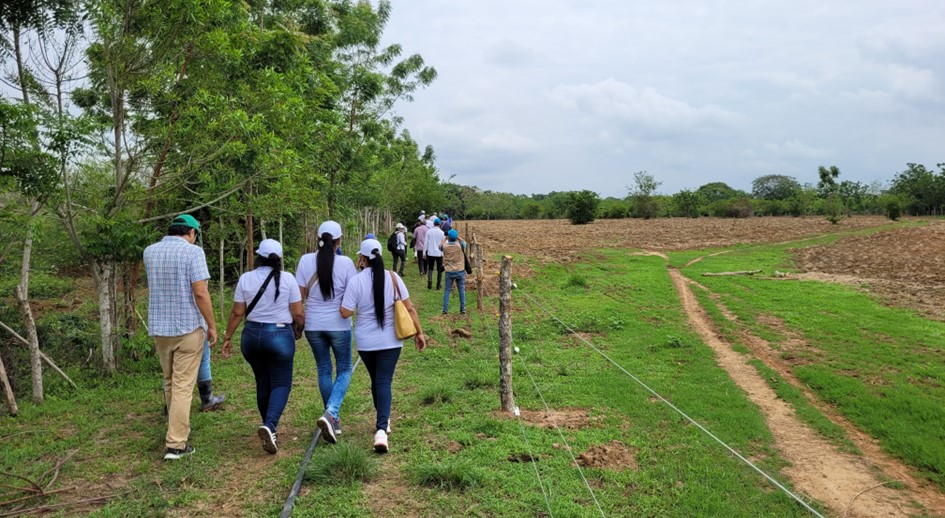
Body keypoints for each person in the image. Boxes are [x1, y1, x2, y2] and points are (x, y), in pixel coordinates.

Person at [340, 239, 426, 453]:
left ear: (362, 258)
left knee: (376, 380)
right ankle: (381, 428)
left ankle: (383, 422)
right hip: (390, 341)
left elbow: (345, 312)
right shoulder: (393, 277)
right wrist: (419, 332)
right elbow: (410, 307)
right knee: (383, 381)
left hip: (365, 342)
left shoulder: (356, 281)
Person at [143, 214, 218, 460]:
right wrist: (211, 325)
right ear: (192, 233)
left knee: (170, 381)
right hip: (187, 328)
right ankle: (176, 444)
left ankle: (176, 427)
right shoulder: (193, 253)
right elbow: (200, 292)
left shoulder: (150, 252)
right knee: (184, 385)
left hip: (160, 330)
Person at [221, 239, 303, 454]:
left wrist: (228, 336)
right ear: (280, 259)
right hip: (278, 335)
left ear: (258, 256)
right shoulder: (288, 279)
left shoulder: (245, 279)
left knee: (262, 381)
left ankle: (268, 425)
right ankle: (270, 425)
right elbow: (297, 313)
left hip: (251, 336)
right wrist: (299, 329)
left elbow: (238, 312)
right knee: (282, 383)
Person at [295, 221, 358, 444]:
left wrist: (298, 322)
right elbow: (352, 295)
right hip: (339, 325)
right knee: (344, 369)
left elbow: (298, 296)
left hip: (313, 325)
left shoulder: (304, 261)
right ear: (339, 241)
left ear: (318, 238)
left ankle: (333, 418)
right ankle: (331, 413)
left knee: (323, 369)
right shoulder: (347, 263)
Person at [440, 229, 467, 315]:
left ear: (449, 237)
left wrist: (445, 238)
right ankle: (462, 309)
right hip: (460, 270)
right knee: (461, 290)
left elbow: (440, 246)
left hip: (449, 270)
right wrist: (458, 237)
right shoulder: (460, 246)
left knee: (447, 290)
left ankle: (445, 310)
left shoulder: (445, 246)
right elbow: (464, 242)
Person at [424, 217, 445, 290]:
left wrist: (424, 253)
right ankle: (438, 285)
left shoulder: (429, 231)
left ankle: (429, 281)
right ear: (439, 224)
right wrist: (443, 253)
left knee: (430, 268)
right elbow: (443, 244)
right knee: (439, 270)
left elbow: (426, 243)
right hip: (439, 254)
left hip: (430, 253)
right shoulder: (442, 233)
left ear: (433, 224)